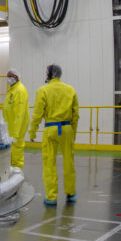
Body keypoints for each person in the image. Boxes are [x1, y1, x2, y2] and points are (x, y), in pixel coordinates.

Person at [28, 64, 79, 206]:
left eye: (46, 72)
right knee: (69, 162)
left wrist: (32, 131)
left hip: (51, 129)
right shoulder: (70, 90)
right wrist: (72, 133)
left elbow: (37, 113)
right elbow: (75, 115)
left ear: (50, 74)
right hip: (67, 129)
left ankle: (51, 197)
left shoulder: (42, 91)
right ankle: (71, 192)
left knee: (49, 163)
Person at [2, 69, 29, 169]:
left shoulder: (20, 90)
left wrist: (16, 132)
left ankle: (18, 172)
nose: (9, 78)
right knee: (11, 151)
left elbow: (20, 113)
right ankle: (12, 170)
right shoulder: (12, 90)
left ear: (17, 77)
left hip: (17, 127)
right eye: (7, 76)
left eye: (11, 76)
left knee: (16, 150)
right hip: (11, 126)